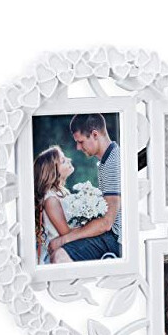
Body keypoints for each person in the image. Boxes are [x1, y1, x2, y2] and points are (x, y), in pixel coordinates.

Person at [48, 113, 122, 263]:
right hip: (110, 235)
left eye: (80, 141)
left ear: (95, 135)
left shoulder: (112, 163)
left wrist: (64, 240)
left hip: (117, 240)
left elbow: (107, 223)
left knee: (60, 256)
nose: (78, 147)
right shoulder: (107, 160)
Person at [33, 145, 74, 264]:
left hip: (70, 246)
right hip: (63, 252)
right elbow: (66, 233)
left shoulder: (62, 192)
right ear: (53, 171)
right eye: (63, 161)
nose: (69, 160)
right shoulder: (51, 199)